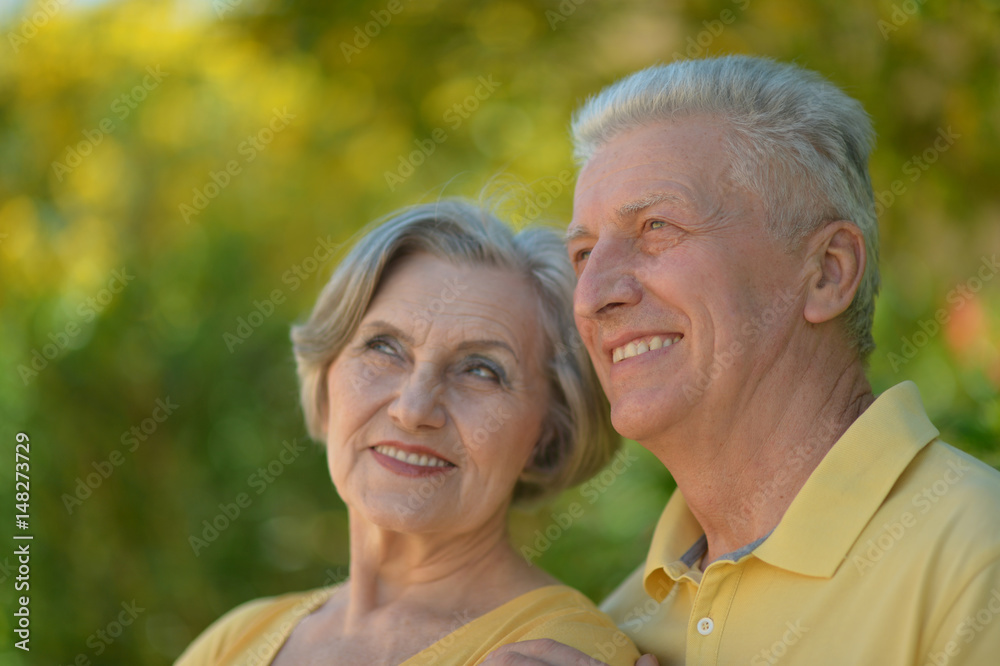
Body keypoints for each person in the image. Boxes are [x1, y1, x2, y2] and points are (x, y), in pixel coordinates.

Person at [485, 56, 1000, 665]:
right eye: (583, 253)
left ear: (827, 272)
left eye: (656, 226)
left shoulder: (978, 554)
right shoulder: (618, 630)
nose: (594, 296)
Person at [174, 200, 641, 665]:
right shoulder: (235, 640)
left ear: (549, 431)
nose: (414, 409)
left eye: (481, 370)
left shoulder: (565, 649)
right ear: (326, 377)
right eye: (384, 347)